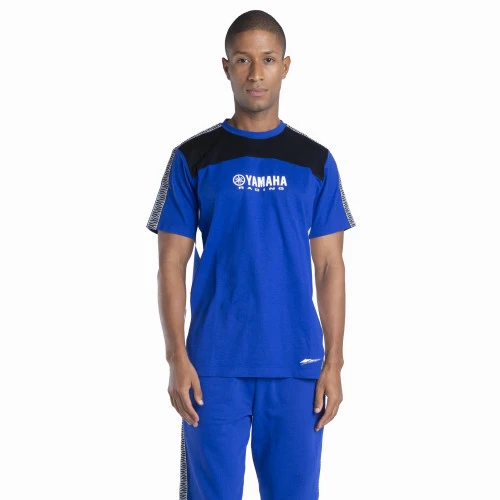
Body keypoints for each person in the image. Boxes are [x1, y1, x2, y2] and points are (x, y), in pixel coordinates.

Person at [146, 9, 356, 500]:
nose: (256, 73)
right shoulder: (192, 158)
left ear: (286, 66)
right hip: (212, 367)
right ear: (226, 67)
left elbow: (330, 266)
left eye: (267, 59)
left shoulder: (315, 161)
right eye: (243, 60)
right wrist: (176, 358)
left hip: (298, 364)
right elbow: (170, 264)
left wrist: (334, 363)